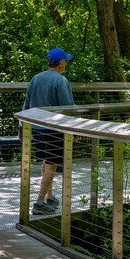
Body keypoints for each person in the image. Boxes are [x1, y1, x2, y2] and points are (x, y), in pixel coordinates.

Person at [21, 47, 75, 216]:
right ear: (60, 63)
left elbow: (27, 104)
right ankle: (39, 203)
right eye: (65, 61)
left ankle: (50, 197)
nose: (66, 63)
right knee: (51, 165)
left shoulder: (35, 79)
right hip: (53, 129)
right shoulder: (61, 81)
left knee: (46, 162)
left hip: (35, 127)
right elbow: (67, 107)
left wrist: (22, 126)